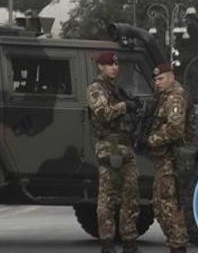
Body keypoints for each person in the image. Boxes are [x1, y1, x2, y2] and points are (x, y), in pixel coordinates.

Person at [87, 52, 141, 253]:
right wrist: (125, 106)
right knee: (108, 198)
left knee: (131, 197)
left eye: (116, 65)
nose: (114, 68)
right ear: (100, 66)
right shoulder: (96, 88)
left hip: (126, 146)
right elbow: (103, 113)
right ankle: (107, 243)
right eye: (110, 65)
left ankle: (129, 242)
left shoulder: (116, 89)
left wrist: (133, 106)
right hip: (110, 146)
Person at [144, 63, 195, 253]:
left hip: (172, 159)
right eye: (155, 80)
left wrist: (151, 140)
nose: (157, 83)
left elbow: (175, 130)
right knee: (161, 204)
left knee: (169, 204)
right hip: (164, 159)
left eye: (161, 78)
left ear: (171, 77)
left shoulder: (175, 97)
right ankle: (175, 243)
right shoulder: (163, 97)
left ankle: (178, 245)